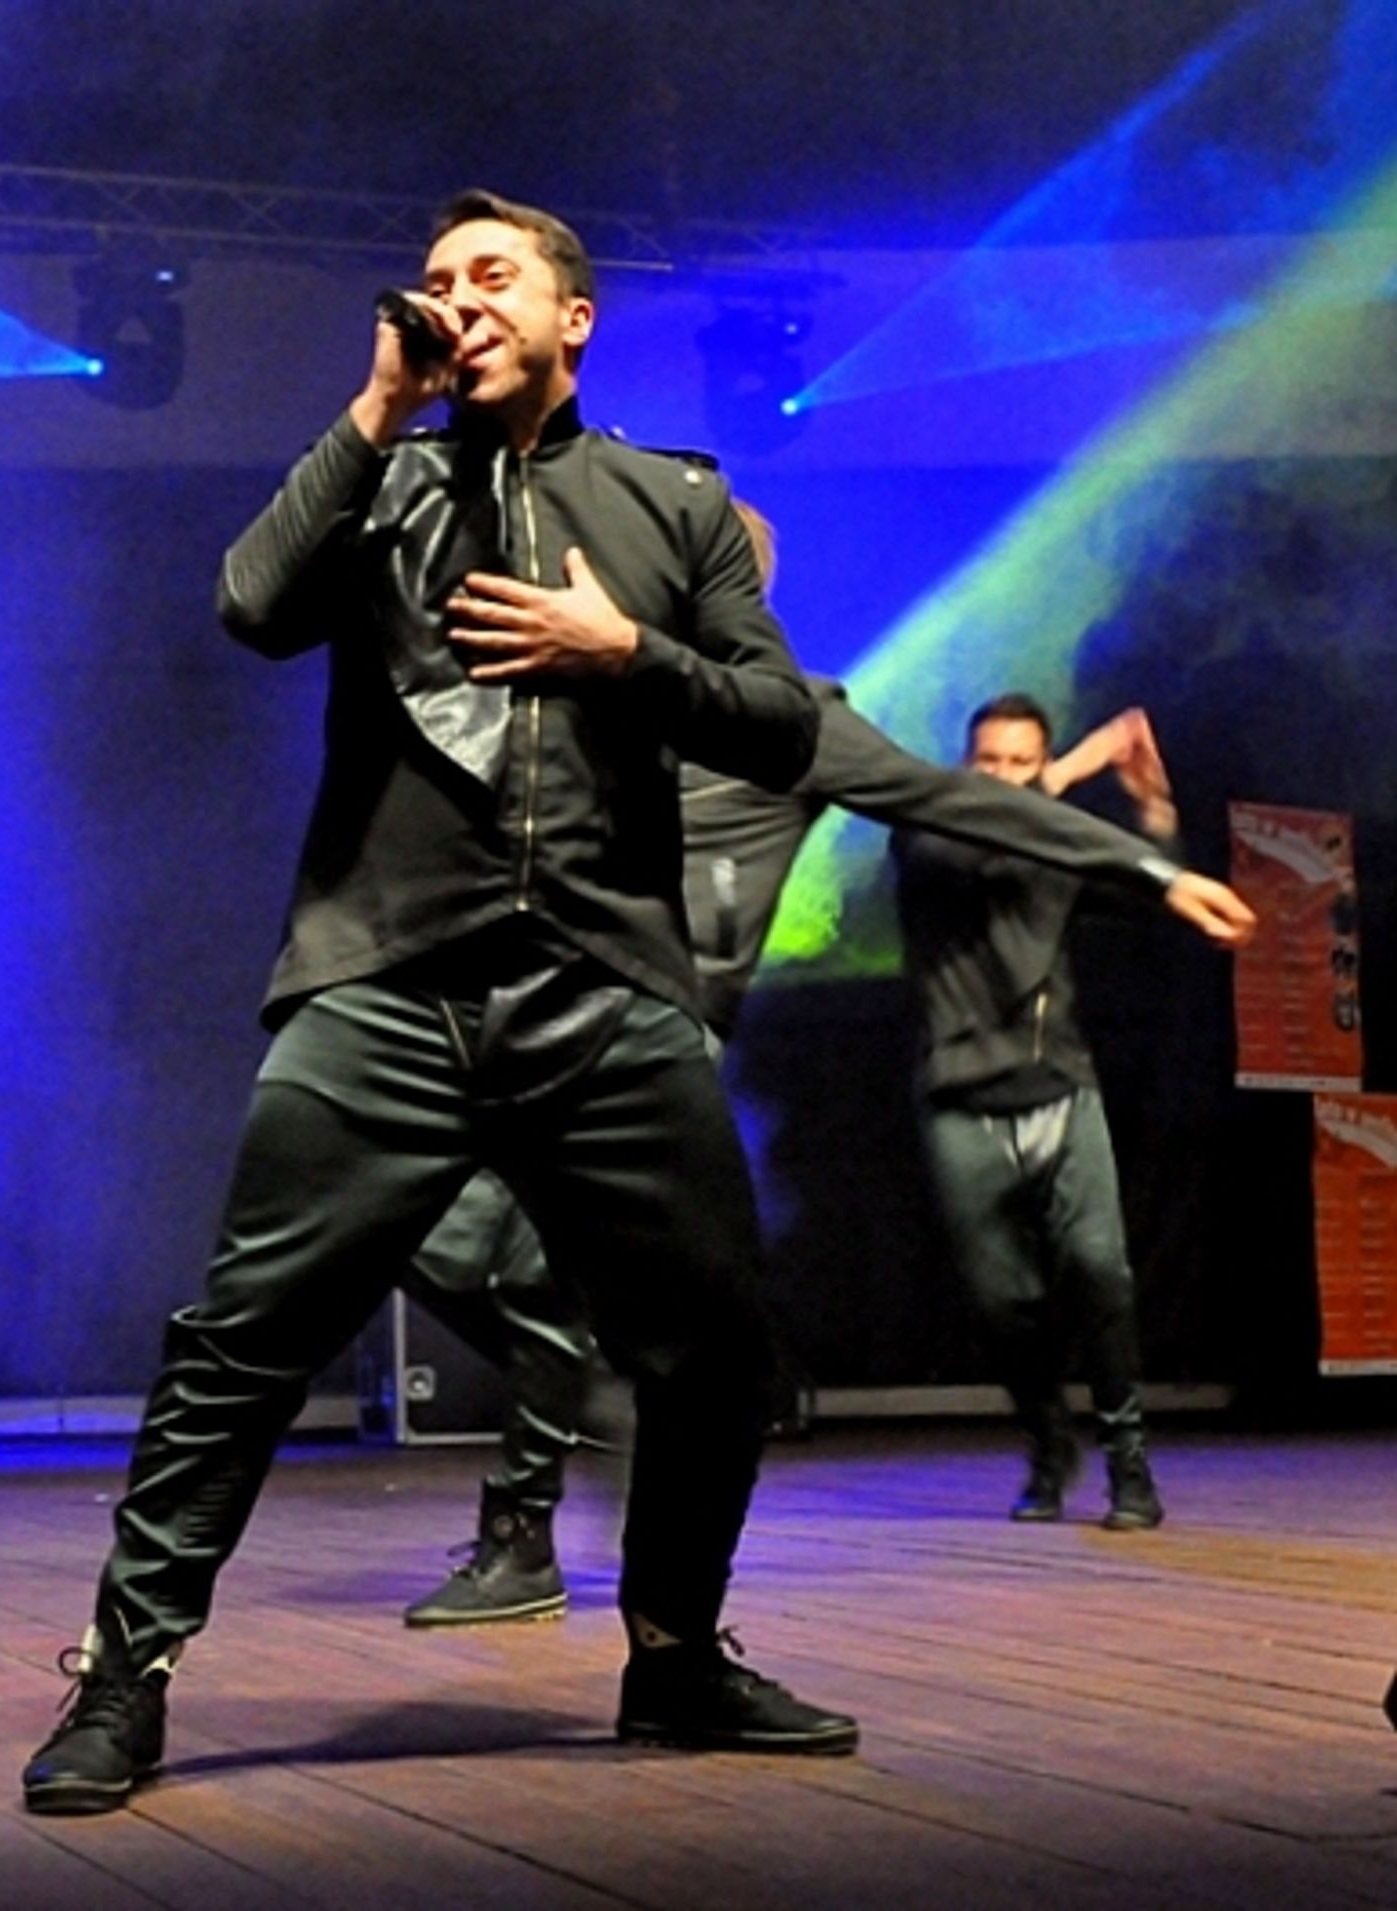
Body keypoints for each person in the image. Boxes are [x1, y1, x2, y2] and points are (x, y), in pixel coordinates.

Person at [20, 187, 868, 1817]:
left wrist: (625, 654)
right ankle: (124, 1674)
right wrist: (371, 411)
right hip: (385, 979)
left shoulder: (675, 501)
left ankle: (675, 1656)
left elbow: (779, 726)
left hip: (604, 987)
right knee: (243, 1340)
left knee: (715, 1347)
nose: (457, 299)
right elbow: (252, 603)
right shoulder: (385, 483)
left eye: (493, 277)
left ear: (572, 318)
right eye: (434, 281)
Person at [397, 509, 1255, 1625]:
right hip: (539, 1026)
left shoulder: (794, 721)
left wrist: (1152, 866)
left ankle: (545, 1530)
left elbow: (960, 805)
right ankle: (610, 1415)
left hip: (663, 1048)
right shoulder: (598, 702)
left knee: (568, 1273)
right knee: (446, 1238)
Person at [893, 692, 1195, 1530]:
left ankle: (1129, 1462)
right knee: (1005, 1301)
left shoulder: (1055, 848)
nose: (1004, 776)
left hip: (1060, 1085)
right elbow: (985, 832)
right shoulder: (927, 832)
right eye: (989, 761)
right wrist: (1066, 773)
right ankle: (1046, 1442)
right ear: (965, 765)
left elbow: (1144, 887)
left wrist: (1154, 809)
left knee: (1100, 1269)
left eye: (1021, 761)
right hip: (962, 1097)